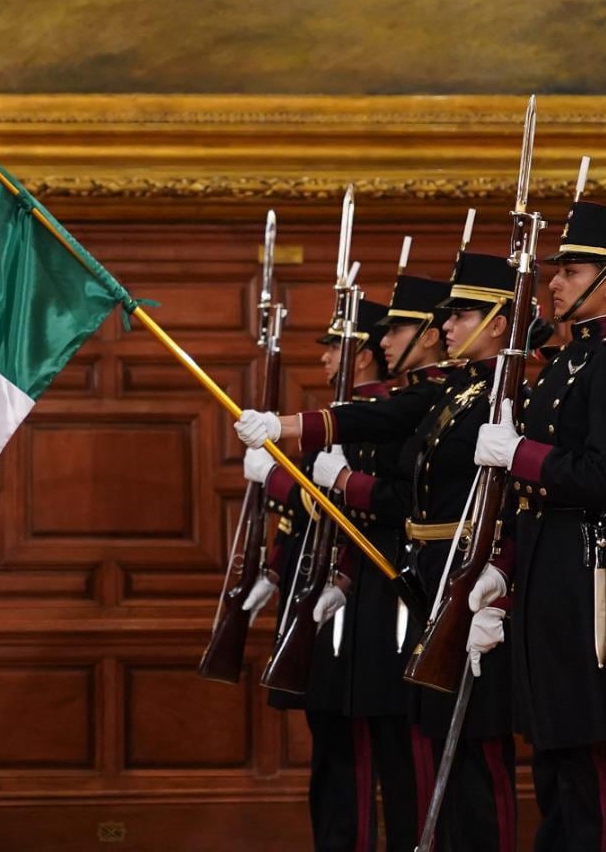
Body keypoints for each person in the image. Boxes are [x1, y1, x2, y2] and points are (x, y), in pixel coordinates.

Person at [235, 246, 527, 852]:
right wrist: (287, 431)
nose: (444, 328)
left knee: (458, 752)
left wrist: (319, 472)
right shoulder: (458, 392)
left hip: (459, 576)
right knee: (426, 742)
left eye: (460, 316)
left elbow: (413, 494)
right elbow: (383, 427)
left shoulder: (503, 393)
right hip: (426, 575)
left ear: (499, 321)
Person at [470, 202, 606, 852]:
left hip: (586, 567)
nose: (554, 282)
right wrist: (504, 568)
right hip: (548, 563)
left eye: (571, 271)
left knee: (582, 752)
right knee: (551, 745)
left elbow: (604, 475)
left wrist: (516, 452)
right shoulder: (567, 362)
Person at [247, 295, 411, 851]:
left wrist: (277, 481)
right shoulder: (344, 413)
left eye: (335, 348)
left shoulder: (380, 413)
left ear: (364, 355)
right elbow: (311, 515)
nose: (323, 361)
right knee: (333, 747)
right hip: (319, 583)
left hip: (361, 587)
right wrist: (273, 565)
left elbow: (347, 508)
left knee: (358, 747)